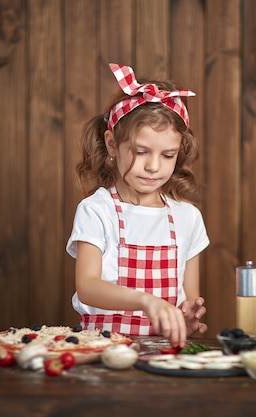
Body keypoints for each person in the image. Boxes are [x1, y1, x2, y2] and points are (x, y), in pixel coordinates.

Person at [66, 63, 210, 348]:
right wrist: (147, 302)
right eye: (140, 151)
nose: (153, 166)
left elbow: (189, 301)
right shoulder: (97, 210)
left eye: (167, 155)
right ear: (111, 144)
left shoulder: (188, 218)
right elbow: (87, 287)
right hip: (103, 351)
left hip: (164, 357)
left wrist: (187, 320)